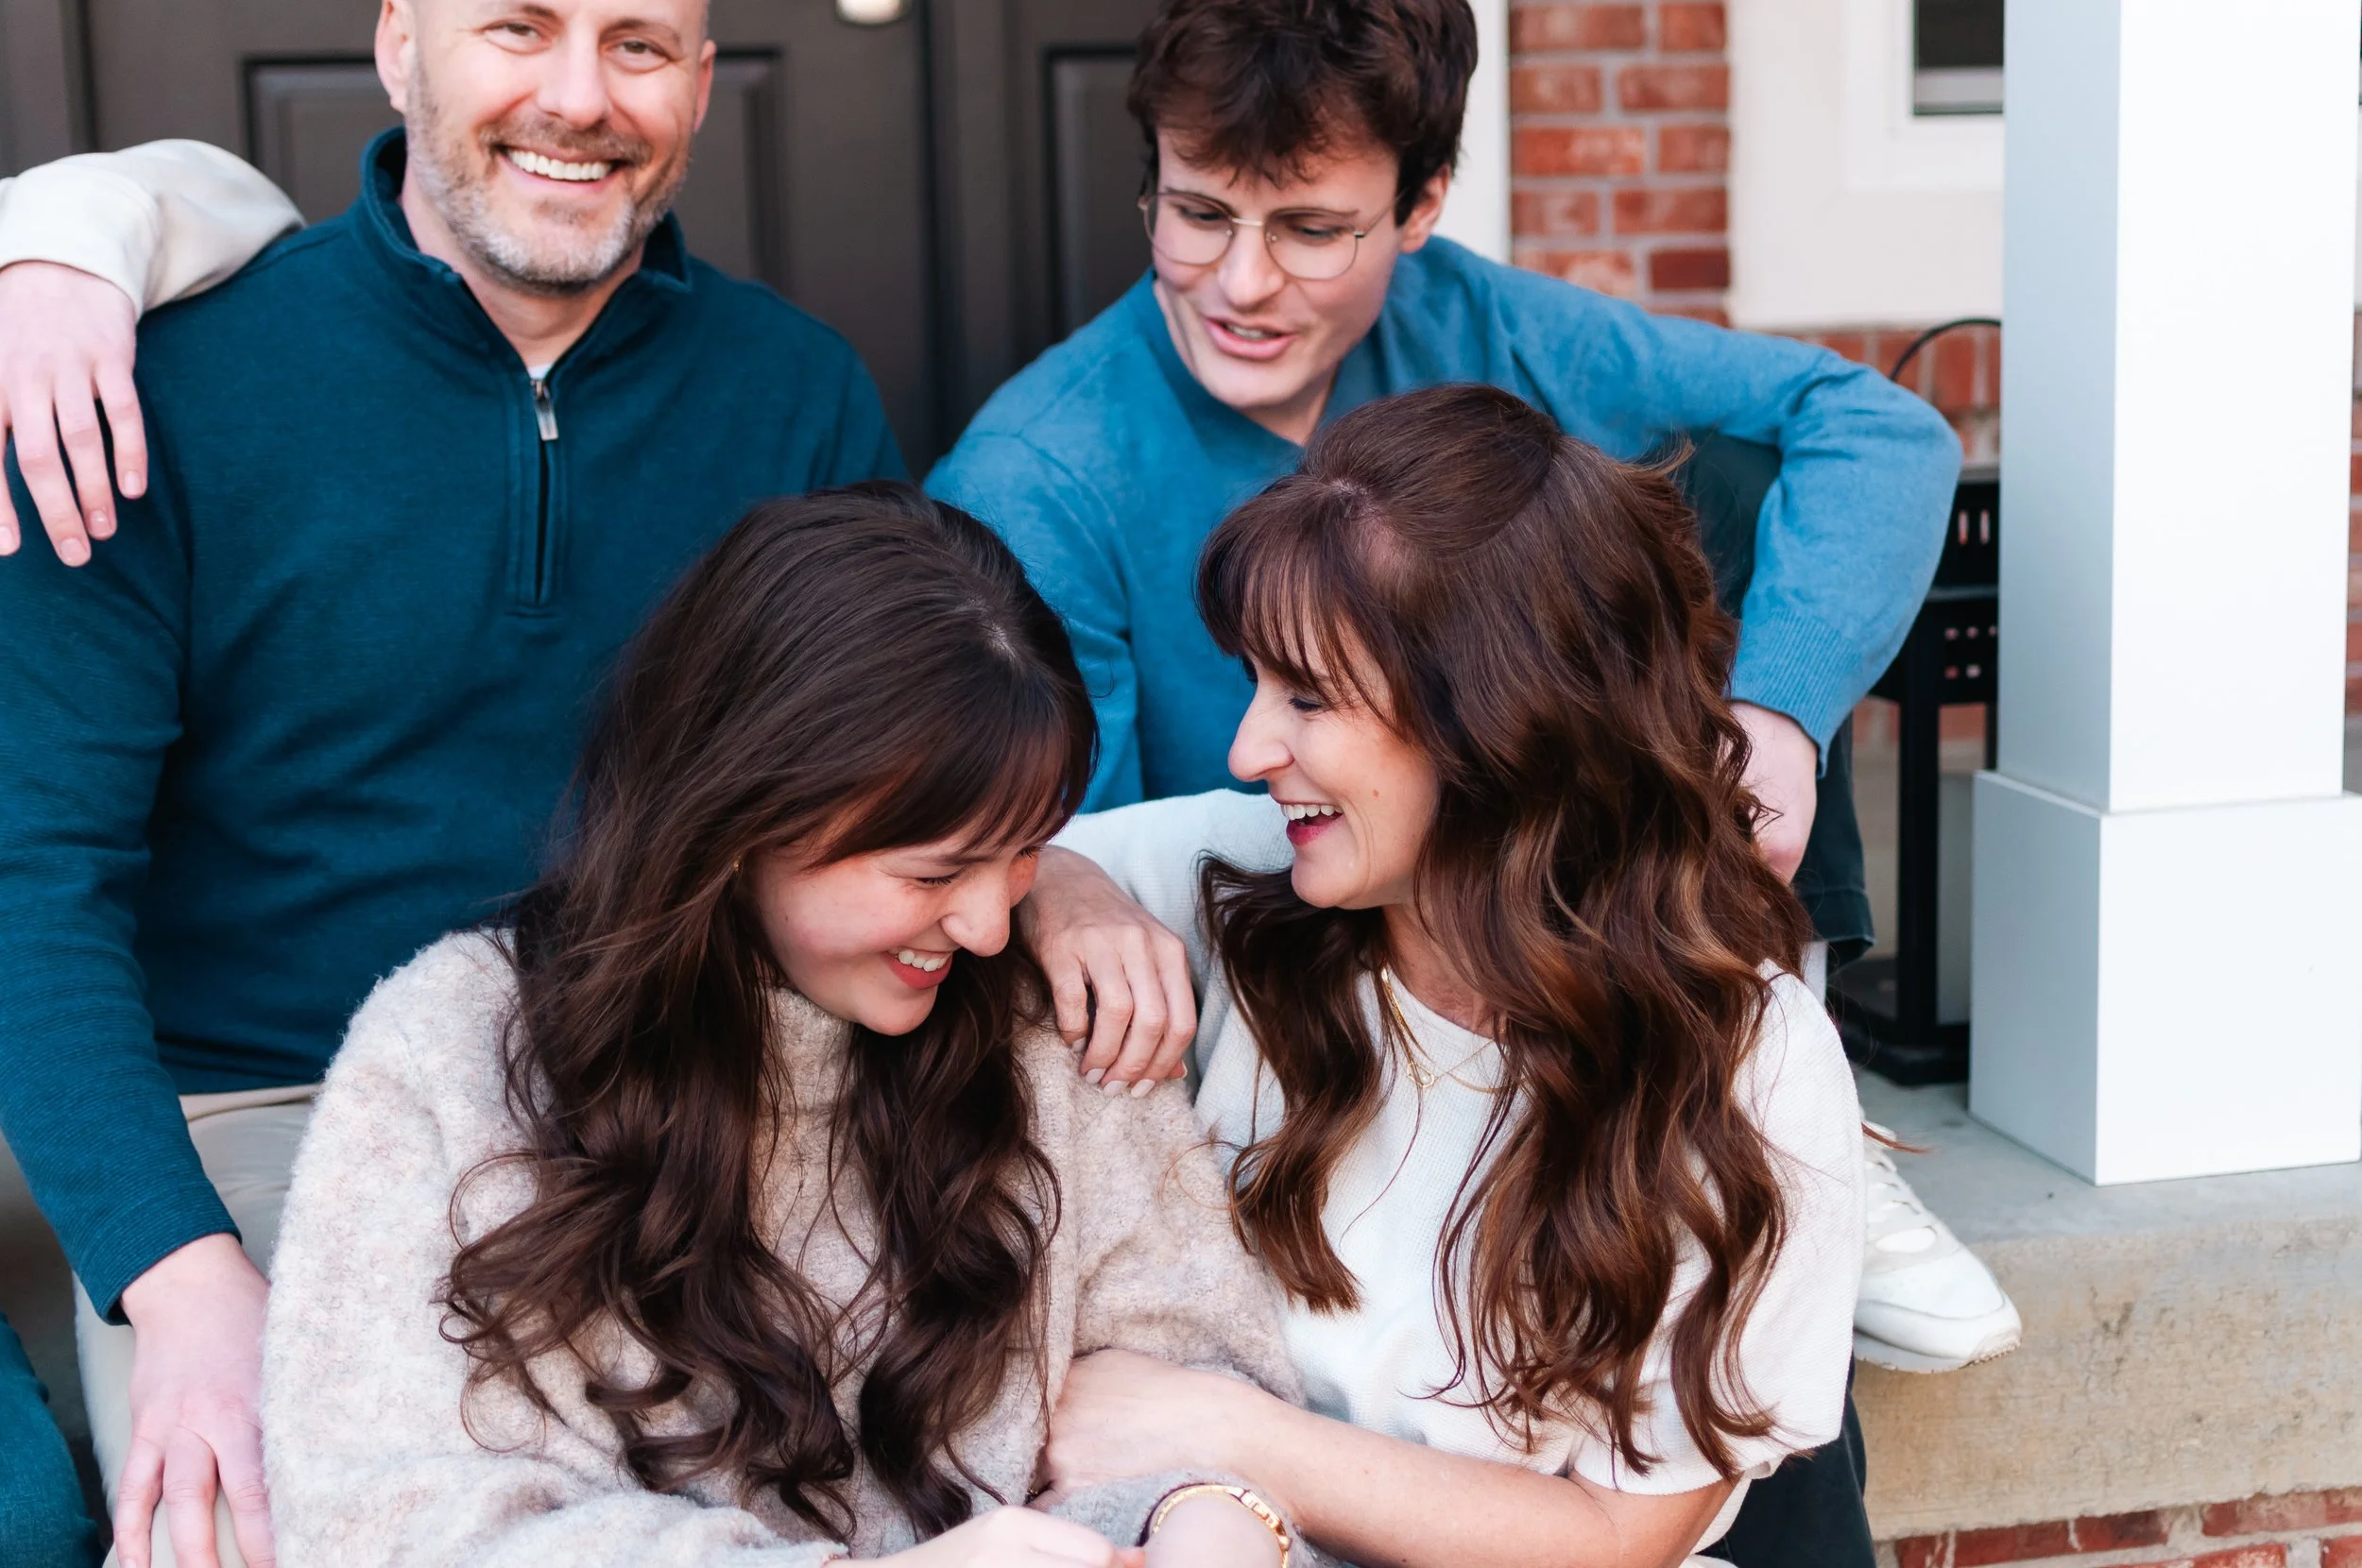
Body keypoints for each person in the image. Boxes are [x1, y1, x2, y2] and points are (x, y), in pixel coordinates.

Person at [0, 2, 900, 1564]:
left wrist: (1073, 870)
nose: (576, 97)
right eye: (518, 25)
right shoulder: (163, 390)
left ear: (699, 83)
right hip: (260, 1129)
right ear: (400, 42)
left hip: (664, 1123)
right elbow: (31, 871)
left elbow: (897, 785)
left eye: (636, 43)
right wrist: (179, 1270)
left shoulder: (799, 401)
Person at [262, 483, 1301, 1567]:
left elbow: (1193, 1384)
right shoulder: (450, 1051)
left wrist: (1208, 1517)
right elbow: (379, 1518)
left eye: (1029, 851)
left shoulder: (1050, 1014)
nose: (992, 925)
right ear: (741, 816)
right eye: (934, 871)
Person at [1034, 385, 1865, 1568]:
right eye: (1258, 686)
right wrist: (1062, 894)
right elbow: (992, 858)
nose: (1247, 750)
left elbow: (1621, 1536)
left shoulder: (1749, 1061)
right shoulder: (1247, 875)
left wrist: (1225, 1431)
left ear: (1496, 719)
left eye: (1307, 699)